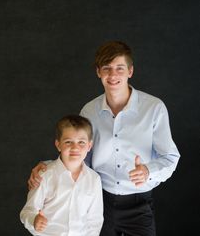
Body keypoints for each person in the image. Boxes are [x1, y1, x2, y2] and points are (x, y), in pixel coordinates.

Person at [27, 41, 180, 236]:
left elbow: (170, 157)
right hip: (99, 201)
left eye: (119, 68)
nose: (113, 75)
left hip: (139, 204)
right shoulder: (89, 111)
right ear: (98, 72)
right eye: (106, 68)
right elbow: (80, 155)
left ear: (130, 71)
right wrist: (47, 166)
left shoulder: (154, 108)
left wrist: (147, 171)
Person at [20, 114, 103, 236]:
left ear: (89, 146)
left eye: (81, 142)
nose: (75, 147)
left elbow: (95, 219)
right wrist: (34, 220)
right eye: (68, 142)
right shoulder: (45, 175)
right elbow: (27, 211)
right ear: (58, 145)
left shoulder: (94, 179)